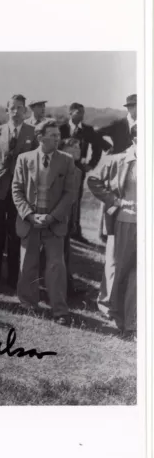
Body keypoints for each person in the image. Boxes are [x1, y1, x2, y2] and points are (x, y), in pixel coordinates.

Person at [12, 119, 77, 325]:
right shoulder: (24, 159)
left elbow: (70, 193)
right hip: (30, 220)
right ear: (40, 138)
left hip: (54, 223)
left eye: (59, 135)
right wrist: (30, 215)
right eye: (54, 135)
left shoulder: (67, 161)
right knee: (28, 263)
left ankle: (59, 310)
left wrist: (52, 217)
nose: (59, 139)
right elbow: (17, 190)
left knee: (56, 266)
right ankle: (28, 304)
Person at [0, 94, 37, 287]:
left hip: (20, 191)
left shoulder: (33, 132)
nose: (15, 111)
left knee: (15, 235)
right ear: (7, 110)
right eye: (12, 108)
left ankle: (14, 278)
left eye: (19, 108)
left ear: (25, 111)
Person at [87, 139, 137, 339]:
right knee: (121, 270)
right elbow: (93, 180)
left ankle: (132, 321)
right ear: (135, 139)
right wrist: (115, 200)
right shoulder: (119, 160)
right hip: (126, 221)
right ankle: (117, 315)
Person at [93, 94, 137, 313]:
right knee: (113, 256)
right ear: (128, 107)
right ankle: (107, 302)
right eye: (133, 106)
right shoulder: (120, 126)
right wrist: (110, 152)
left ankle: (126, 305)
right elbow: (96, 134)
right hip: (118, 190)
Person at [58, 102, 108, 242]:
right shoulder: (61, 129)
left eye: (83, 112)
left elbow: (98, 147)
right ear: (70, 113)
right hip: (60, 170)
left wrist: (91, 164)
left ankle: (75, 230)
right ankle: (60, 228)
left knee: (76, 199)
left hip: (78, 169)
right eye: (78, 112)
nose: (81, 115)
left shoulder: (88, 130)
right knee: (59, 197)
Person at [57, 138, 83, 297]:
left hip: (67, 217)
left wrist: (73, 220)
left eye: (78, 148)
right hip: (54, 215)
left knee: (65, 251)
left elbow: (75, 201)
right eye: (74, 147)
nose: (78, 151)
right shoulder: (57, 167)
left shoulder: (78, 172)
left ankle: (67, 286)